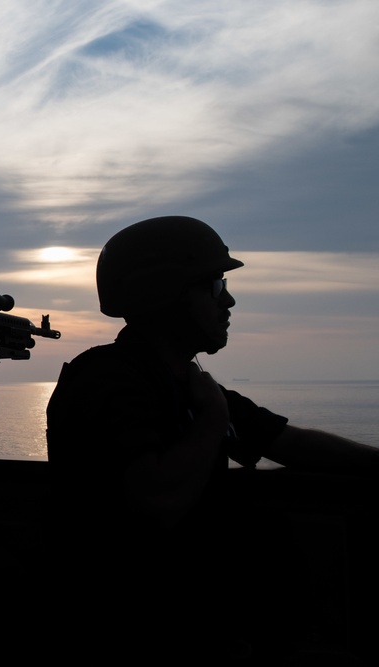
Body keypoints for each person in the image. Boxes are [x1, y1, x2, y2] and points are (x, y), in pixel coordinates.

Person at [44, 216, 378, 660]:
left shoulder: (187, 383)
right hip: (130, 634)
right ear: (165, 293)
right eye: (216, 286)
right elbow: (154, 503)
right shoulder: (108, 380)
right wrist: (211, 419)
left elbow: (287, 442)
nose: (230, 301)